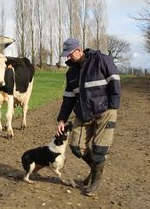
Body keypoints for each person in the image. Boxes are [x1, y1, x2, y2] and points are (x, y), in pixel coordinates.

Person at [56, 38, 121, 197]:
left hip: (105, 111)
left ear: (79, 49)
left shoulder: (101, 60)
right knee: (76, 147)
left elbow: (115, 82)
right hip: (84, 113)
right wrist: (62, 119)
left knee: (99, 149)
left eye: (70, 54)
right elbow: (69, 98)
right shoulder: (71, 73)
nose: (68, 57)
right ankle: (94, 170)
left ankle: (95, 183)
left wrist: (111, 107)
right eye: (66, 55)